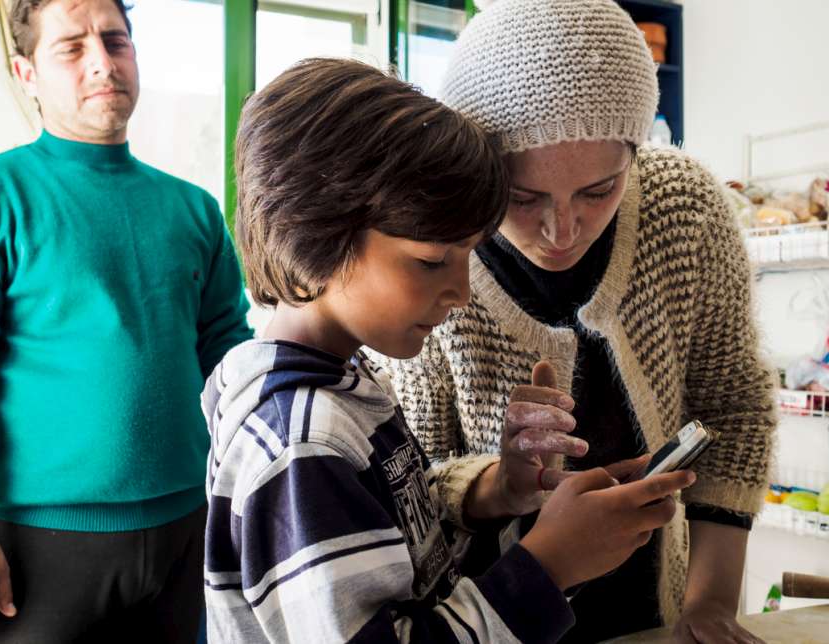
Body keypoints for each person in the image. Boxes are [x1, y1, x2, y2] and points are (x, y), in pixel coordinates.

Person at [201, 57, 696, 644]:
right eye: (433, 260)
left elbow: (400, 545)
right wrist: (548, 566)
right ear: (313, 236)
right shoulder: (303, 441)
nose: (460, 293)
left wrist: (505, 489)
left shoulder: (341, 384)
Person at [380, 1, 776, 642]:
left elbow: (733, 407)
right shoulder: (434, 249)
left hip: (655, 609)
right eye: (522, 197)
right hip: (481, 617)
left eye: (599, 191)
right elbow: (412, 476)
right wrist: (496, 481)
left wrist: (710, 604)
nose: (561, 232)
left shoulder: (685, 208)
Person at [0, 1, 252, 642]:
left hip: (189, 533)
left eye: (116, 41)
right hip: (38, 547)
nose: (103, 62)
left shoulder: (195, 211)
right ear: (25, 71)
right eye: (71, 48)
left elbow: (230, 362)